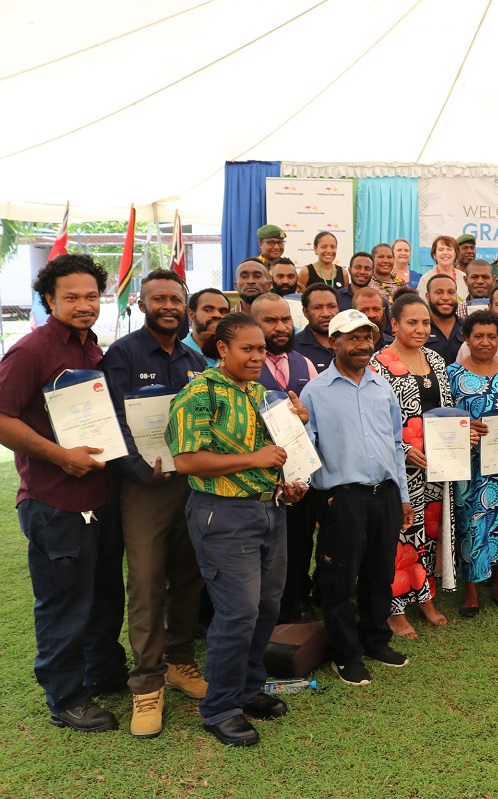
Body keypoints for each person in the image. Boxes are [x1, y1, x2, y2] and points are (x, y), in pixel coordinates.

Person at [166, 312, 309, 746]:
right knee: (237, 613)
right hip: (221, 515)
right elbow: (186, 461)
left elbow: (277, 453)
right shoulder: (198, 394)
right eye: (247, 348)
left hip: (270, 511)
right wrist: (256, 460)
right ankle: (220, 707)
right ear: (222, 349)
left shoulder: (261, 394)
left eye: (262, 348)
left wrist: (289, 480)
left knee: (266, 608)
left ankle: (248, 689)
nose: (256, 356)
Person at [0, 253, 128, 733]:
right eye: (71, 297)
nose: (83, 305)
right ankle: (66, 698)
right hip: (55, 501)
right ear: (49, 299)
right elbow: (2, 418)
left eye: (91, 296)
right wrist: (59, 455)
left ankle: (102, 674)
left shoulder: (93, 348)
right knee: (64, 603)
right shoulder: (31, 351)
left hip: (101, 495)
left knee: (103, 594)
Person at [102, 269, 209, 737]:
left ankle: (179, 662)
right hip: (144, 486)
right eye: (158, 298)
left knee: (188, 575)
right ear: (142, 304)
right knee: (146, 581)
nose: (167, 305)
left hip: (191, 482)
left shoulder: (193, 359)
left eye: (174, 298)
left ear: (184, 306)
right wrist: (137, 469)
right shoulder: (123, 354)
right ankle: (146, 682)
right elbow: (108, 420)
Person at [301, 309, 414, 686]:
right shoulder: (315, 391)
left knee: (379, 573)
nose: (362, 345)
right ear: (334, 342)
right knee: (338, 579)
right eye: (352, 338)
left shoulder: (382, 387)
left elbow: (397, 445)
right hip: (342, 499)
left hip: (385, 495)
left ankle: (375, 640)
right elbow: (307, 447)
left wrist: (403, 496)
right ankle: (345, 654)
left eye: (367, 337)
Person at [368, 294, 452, 638]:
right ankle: (394, 606)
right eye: (412, 322)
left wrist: (462, 434)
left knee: (431, 532)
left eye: (425, 323)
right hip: (399, 468)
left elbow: (447, 410)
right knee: (402, 533)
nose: (420, 329)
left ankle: (425, 596)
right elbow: (371, 420)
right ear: (395, 325)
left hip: (436, 466)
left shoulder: (434, 358)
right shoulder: (378, 363)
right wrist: (402, 449)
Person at [446, 310, 498, 617]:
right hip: (471, 463)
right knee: (472, 522)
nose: (485, 342)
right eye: (478, 336)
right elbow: (445, 420)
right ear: (466, 339)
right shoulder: (452, 374)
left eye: (491, 336)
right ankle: (471, 591)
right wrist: (465, 426)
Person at [251, 293, 320, 624]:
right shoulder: (244, 365)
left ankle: (295, 601)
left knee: (300, 540)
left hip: (297, 475)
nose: (280, 327)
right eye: (270, 321)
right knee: (262, 550)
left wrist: (306, 417)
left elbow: (313, 423)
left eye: (285, 320)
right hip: (257, 479)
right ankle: (264, 611)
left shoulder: (304, 364)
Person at [294, 283, 339, 373]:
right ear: (305, 312)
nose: (326, 313)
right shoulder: (293, 348)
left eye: (331, 307)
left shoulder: (350, 342)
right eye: (318, 307)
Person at [425, 272, 466, 365]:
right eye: (439, 292)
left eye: (451, 292)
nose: (446, 297)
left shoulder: (468, 328)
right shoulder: (419, 328)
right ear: (428, 296)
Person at [183, 287, 230, 368]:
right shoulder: (178, 353)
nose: (217, 315)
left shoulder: (233, 354)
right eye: (208, 310)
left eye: (223, 312)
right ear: (191, 315)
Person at [418, 235, 470, 303]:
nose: (445, 253)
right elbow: (422, 305)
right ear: (434, 254)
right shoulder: (426, 279)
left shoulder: (464, 277)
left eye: (449, 249)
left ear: (456, 253)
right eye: (441, 249)